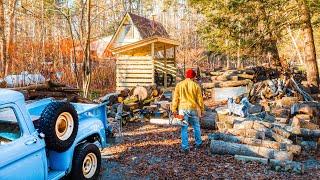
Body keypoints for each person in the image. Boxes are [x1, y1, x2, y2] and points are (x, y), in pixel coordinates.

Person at [172, 69, 204, 153]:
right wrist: (202, 109)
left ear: (186, 76)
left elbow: (175, 98)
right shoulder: (196, 86)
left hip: (182, 109)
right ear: (193, 76)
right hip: (193, 108)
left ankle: (185, 147)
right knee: (196, 126)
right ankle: (199, 143)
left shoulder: (179, 85)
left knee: (184, 128)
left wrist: (174, 109)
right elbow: (200, 100)